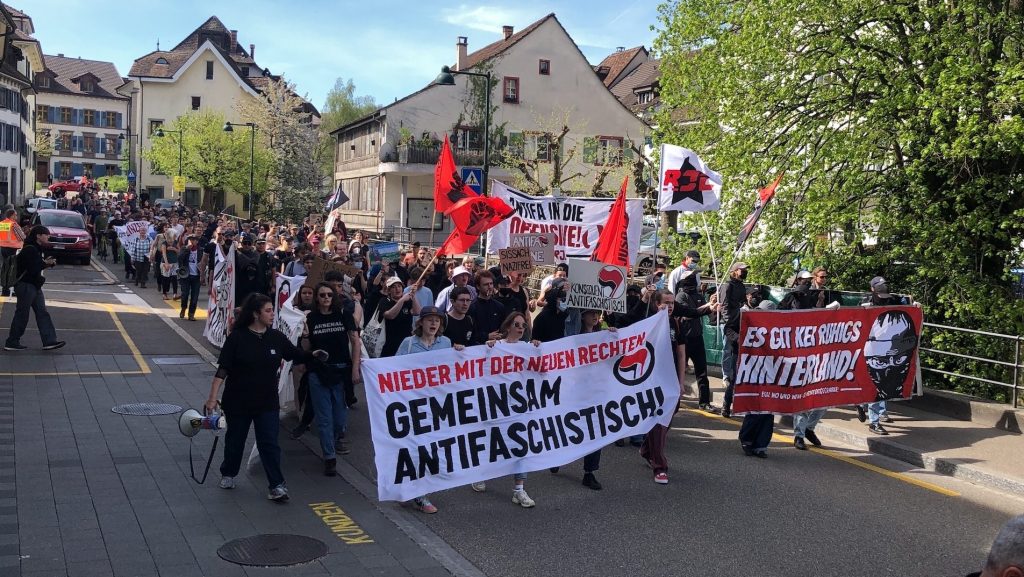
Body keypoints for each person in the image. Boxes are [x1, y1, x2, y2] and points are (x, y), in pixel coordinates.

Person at [205, 294, 320, 501]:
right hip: (238, 400)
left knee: (269, 443)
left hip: (266, 401)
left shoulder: (276, 337)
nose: (272, 315)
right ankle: (228, 472)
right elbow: (223, 370)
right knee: (235, 440)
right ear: (256, 314)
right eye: (268, 311)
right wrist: (212, 398)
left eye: (271, 310)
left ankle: (276, 485)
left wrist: (313, 351)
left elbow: (297, 355)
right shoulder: (237, 338)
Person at [394, 306, 465, 514]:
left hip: (436, 406)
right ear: (421, 323)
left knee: (430, 450)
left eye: (437, 320)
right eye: (430, 320)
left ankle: (414, 491)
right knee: (414, 449)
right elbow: (393, 369)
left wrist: (460, 353)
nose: (434, 324)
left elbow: (453, 370)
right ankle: (419, 494)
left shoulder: (446, 343)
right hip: (412, 404)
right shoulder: (408, 344)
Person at [481, 312, 542, 507]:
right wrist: (486, 347)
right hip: (497, 403)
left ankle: (519, 489)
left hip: (520, 404)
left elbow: (545, 369)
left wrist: (540, 350)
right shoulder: (495, 347)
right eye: (516, 324)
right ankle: (480, 474)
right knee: (493, 441)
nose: (520, 328)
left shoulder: (528, 348)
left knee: (521, 444)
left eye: (523, 325)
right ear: (508, 326)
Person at [303, 283, 361, 476]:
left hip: (340, 371)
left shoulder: (343, 315)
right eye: (322, 295)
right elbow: (306, 347)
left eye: (329, 295)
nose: (326, 298)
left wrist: (355, 368)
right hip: (318, 373)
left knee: (339, 418)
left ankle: (335, 440)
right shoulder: (310, 318)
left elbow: (355, 341)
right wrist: (303, 333)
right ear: (317, 299)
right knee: (325, 418)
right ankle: (329, 457)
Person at [856, 276, 915, 435]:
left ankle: (874, 412)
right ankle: (872, 419)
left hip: (892, 348)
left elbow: (908, 306)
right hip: (873, 350)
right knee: (877, 381)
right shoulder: (865, 302)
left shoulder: (894, 299)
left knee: (888, 382)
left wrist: (914, 305)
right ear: (873, 289)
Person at [640, 290, 683, 483]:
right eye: (666, 302)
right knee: (659, 422)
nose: (670, 306)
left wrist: (681, 382)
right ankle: (660, 467)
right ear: (656, 303)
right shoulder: (648, 322)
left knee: (668, 418)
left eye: (672, 302)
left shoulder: (675, 323)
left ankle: (647, 449)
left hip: (671, 380)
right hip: (653, 381)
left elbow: (682, 354)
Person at [4, 226, 65, 352]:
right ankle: (12, 341)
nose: (48, 237)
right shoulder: (30, 249)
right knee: (22, 314)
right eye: (46, 234)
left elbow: (36, 266)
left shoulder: (36, 249)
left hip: (34, 286)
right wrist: (46, 263)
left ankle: (49, 341)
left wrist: (46, 263)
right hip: (26, 286)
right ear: (38, 236)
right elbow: (32, 269)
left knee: (42, 313)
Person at [674, 269, 718, 412]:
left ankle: (704, 402)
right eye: (690, 277)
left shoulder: (698, 296)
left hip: (697, 338)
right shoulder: (681, 296)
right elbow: (688, 314)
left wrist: (711, 304)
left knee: (702, 372)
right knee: (678, 371)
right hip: (684, 339)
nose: (693, 279)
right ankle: (674, 400)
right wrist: (705, 307)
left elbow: (704, 310)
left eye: (694, 277)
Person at [719, 262, 748, 418]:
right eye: (742, 270)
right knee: (734, 372)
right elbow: (725, 308)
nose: (744, 272)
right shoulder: (728, 286)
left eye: (745, 270)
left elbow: (743, 303)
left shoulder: (741, 286)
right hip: (733, 329)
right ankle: (726, 404)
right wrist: (733, 319)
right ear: (734, 271)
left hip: (744, 327)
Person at [377, 277, 421, 357]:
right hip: (389, 343)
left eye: (399, 286)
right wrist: (401, 301)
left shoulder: (407, 300)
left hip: (406, 341)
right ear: (389, 290)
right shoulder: (384, 301)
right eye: (393, 287)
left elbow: (417, 312)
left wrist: (413, 296)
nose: (397, 289)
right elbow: (390, 315)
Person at [468, 270, 505, 345]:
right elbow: (468, 333)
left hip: (497, 348)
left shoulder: (499, 306)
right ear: (478, 286)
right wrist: (486, 336)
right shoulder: (471, 307)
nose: (490, 287)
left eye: (491, 284)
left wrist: (501, 335)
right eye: (486, 284)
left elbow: (505, 328)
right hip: (478, 349)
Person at [179, 235, 207, 321]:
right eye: (191, 240)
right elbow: (179, 259)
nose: (192, 242)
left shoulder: (201, 250)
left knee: (195, 296)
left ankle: (191, 314)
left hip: (196, 276)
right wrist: (187, 249)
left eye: (194, 240)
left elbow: (205, 262)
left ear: (197, 241)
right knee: (185, 295)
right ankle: (183, 308)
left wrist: (203, 275)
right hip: (186, 275)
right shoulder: (184, 249)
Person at [0, 208, 25, 297]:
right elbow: (22, 237)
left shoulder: (2, 223)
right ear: (12, 215)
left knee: (5, 269)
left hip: (3, 248)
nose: (17, 216)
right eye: (15, 215)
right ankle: (13, 289)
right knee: (13, 270)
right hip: (13, 249)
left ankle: (5, 290)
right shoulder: (14, 225)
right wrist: (25, 232)